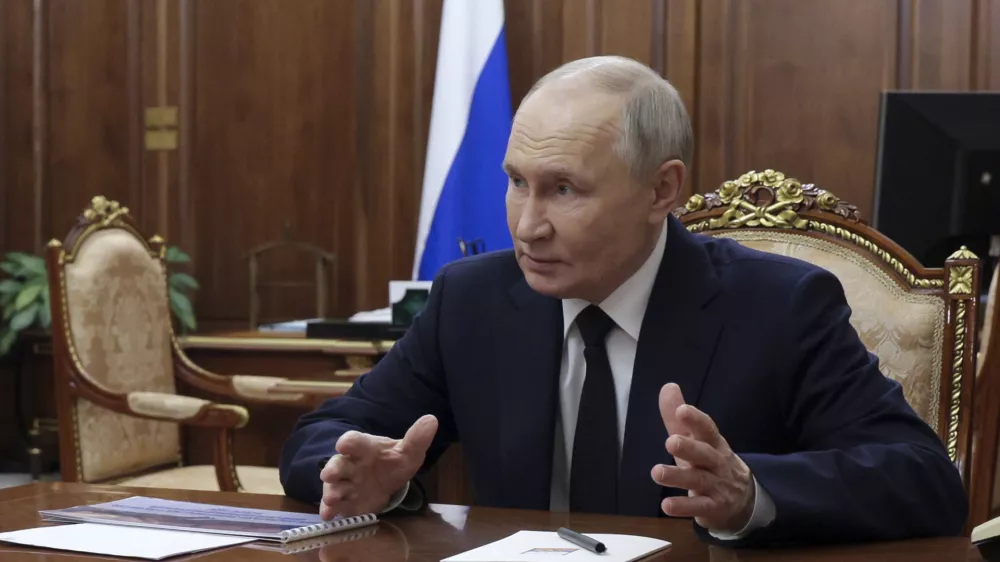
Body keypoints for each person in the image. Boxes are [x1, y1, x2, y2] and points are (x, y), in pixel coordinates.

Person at [279, 55, 967, 547]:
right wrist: (373, 482)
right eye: (517, 182)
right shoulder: (475, 301)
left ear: (662, 191)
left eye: (564, 189)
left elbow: (924, 479)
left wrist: (749, 492)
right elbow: (321, 441)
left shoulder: (778, 305)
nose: (526, 225)